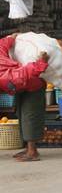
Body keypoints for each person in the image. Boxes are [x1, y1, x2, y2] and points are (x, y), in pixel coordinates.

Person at [0, 33, 49, 161]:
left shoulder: (6, 78)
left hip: (33, 86)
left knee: (30, 116)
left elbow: (26, 73)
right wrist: (12, 37)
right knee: (20, 113)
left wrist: (41, 62)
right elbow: (3, 44)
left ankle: (33, 152)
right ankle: (28, 148)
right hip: (21, 86)